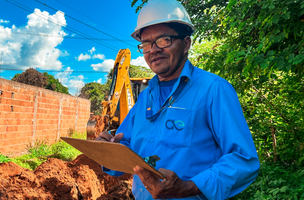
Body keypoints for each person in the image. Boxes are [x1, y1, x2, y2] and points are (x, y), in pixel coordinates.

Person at [96, 0, 260, 199]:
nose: (153, 50)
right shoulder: (146, 96)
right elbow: (128, 144)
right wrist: (111, 150)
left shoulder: (214, 90)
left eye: (164, 40)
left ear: (186, 43)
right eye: (146, 44)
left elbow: (243, 160)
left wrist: (189, 187)